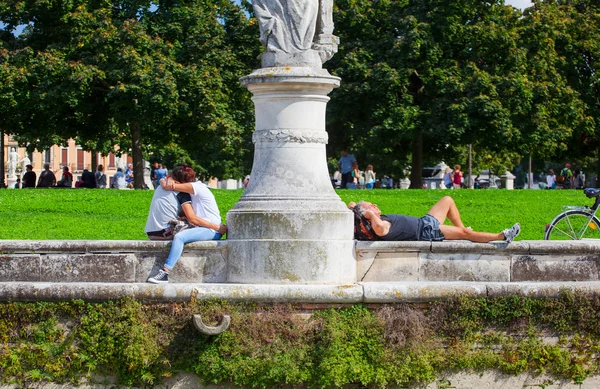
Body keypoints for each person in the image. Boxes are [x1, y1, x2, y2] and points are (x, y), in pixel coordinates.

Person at [147, 164, 227, 284]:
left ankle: (165, 272)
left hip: (211, 229)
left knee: (180, 237)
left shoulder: (196, 187)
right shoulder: (192, 189)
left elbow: (193, 219)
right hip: (206, 227)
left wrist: (217, 227)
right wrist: (164, 181)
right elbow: (169, 184)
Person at [349, 196, 520, 243]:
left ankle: (463, 230)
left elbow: (350, 205)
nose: (375, 205)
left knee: (447, 200)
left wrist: (356, 208)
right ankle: (502, 236)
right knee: (465, 233)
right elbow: (380, 229)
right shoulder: (378, 226)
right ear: (367, 215)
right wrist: (369, 214)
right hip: (426, 232)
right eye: (372, 206)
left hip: (425, 222)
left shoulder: (375, 220)